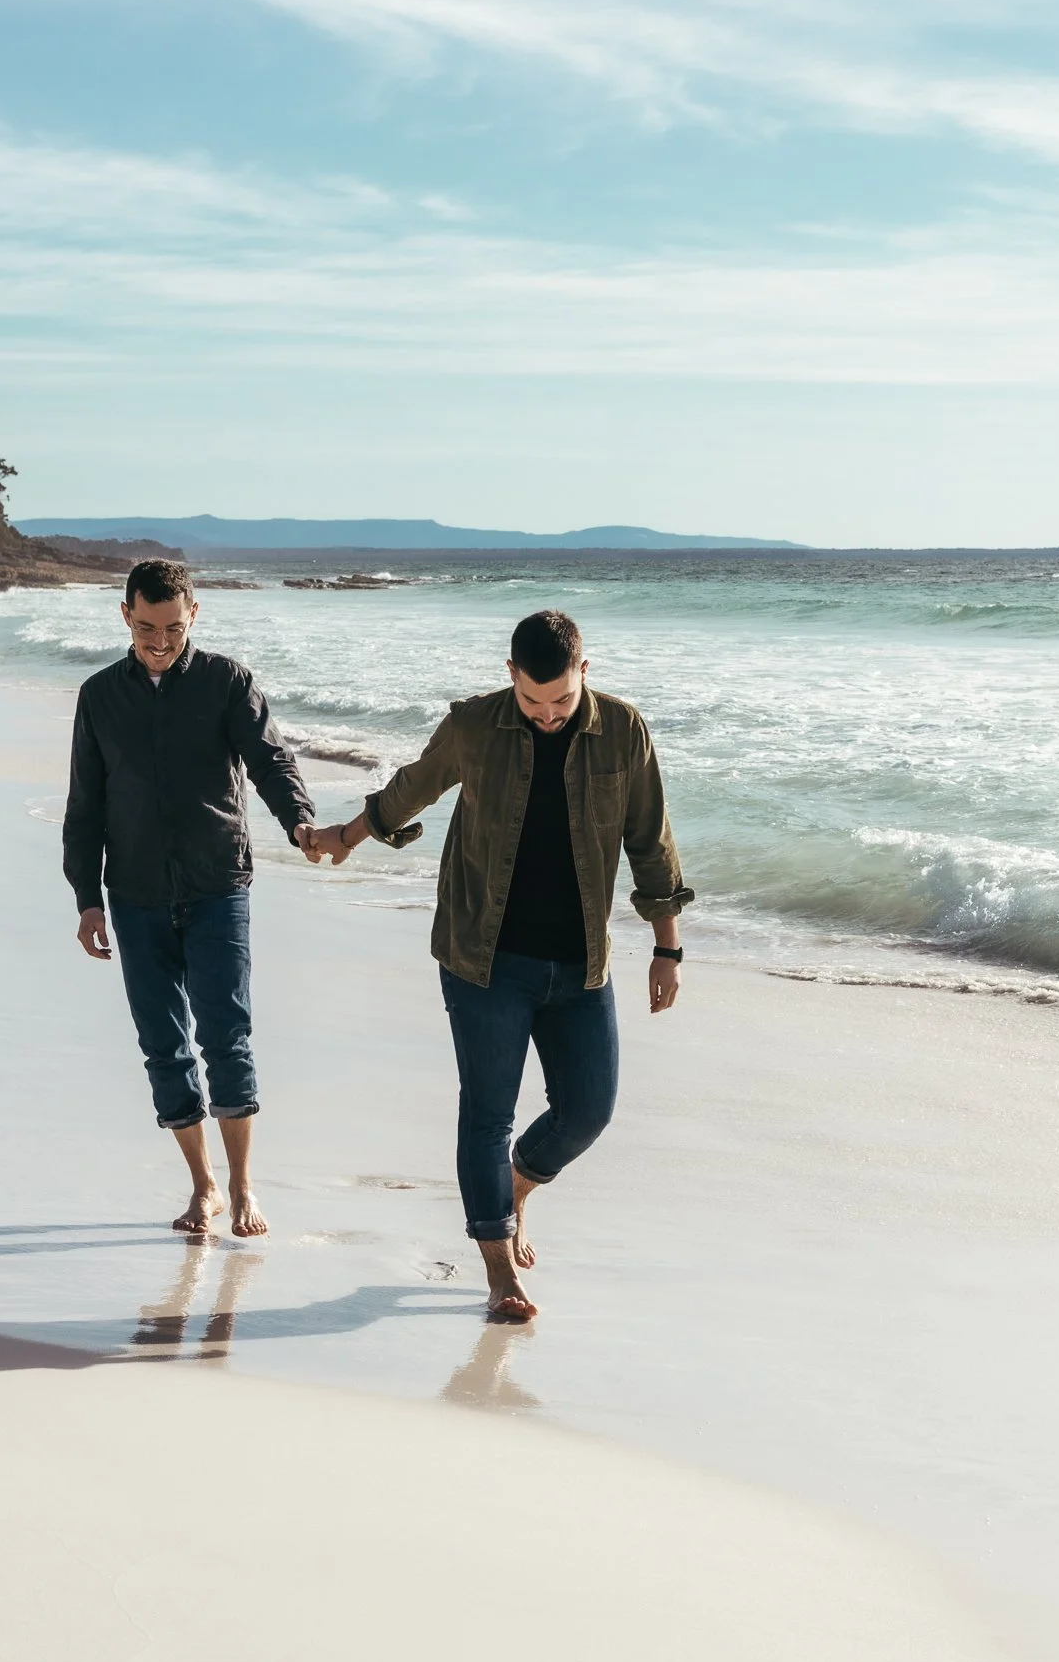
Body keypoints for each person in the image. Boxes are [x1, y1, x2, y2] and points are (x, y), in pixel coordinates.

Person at [305, 608, 691, 1321]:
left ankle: (515, 1184)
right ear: (509, 675)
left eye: (562, 701)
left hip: (580, 963)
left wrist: (666, 947)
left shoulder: (624, 731)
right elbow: (410, 788)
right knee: (486, 1112)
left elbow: (649, 838)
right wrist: (346, 836)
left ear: (585, 672)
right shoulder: (474, 726)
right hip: (483, 956)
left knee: (588, 1109)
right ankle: (497, 1270)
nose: (546, 716)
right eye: (532, 701)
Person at [64, 558, 318, 1238]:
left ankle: (242, 1188)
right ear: (125, 615)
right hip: (136, 893)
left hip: (215, 885)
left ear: (194, 615)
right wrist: (87, 898)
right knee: (162, 1046)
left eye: (172, 627)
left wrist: (297, 821)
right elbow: (85, 806)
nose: (159, 640)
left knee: (226, 1037)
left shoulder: (224, 681)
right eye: (146, 626)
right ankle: (202, 1186)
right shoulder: (98, 696)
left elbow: (269, 760)